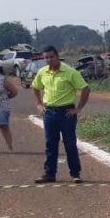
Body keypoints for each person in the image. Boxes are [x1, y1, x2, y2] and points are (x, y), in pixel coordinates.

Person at [31, 45, 90, 183]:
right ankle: (49, 173)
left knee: (70, 143)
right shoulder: (42, 72)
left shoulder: (70, 72)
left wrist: (78, 109)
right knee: (50, 144)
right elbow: (34, 87)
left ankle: (75, 173)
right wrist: (39, 104)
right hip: (49, 112)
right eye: (46, 57)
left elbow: (85, 89)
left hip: (66, 113)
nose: (49, 60)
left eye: (51, 57)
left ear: (57, 56)